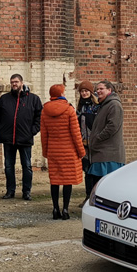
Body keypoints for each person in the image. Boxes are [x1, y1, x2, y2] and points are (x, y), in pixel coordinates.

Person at [0, 73, 42, 200]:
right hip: (8, 138)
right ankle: (10, 191)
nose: (14, 84)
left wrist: (33, 131)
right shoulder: (4, 99)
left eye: (16, 82)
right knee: (9, 166)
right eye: (12, 82)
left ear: (21, 83)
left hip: (25, 138)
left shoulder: (33, 99)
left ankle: (27, 191)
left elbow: (39, 117)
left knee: (27, 166)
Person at [40, 83, 85, 220]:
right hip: (69, 151)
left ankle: (55, 208)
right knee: (67, 181)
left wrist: (46, 152)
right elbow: (76, 134)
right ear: (61, 94)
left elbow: (44, 135)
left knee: (55, 180)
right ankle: (65, 209)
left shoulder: (45, 111)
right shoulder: (69, 110)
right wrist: (81, 151)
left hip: (53, 151)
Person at [87, 80, 125, 185]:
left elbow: (113, 126)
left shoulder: (114, 104)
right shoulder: (103, 105)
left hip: (109, 155)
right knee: (98, 184)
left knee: (108, 185)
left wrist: (98, 138)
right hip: (101, 153)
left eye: (101, 89)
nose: (98, 91)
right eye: (97, 89)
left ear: (109, 90)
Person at [76, 81, 100, 198]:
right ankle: (88, 196)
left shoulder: (97, 106)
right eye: (82, 91)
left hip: (95, 142)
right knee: (87, 169)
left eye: (86, 91)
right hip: (84, 142)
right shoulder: (80, 106)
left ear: (91, 92)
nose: (84, 93)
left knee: (96, 170)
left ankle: (96, 195)